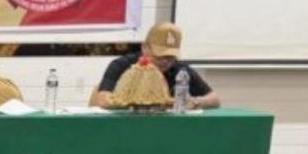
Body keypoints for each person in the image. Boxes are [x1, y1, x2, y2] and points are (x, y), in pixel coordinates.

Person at [91, 23, 221, 109]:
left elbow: (215, 99)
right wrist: (139, 101)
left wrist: (195, 101)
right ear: (144, 47)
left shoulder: (180, 70)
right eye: (159, 55)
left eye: (170, 57)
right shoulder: (121, 65)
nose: (165, 61)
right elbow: (102, 100)